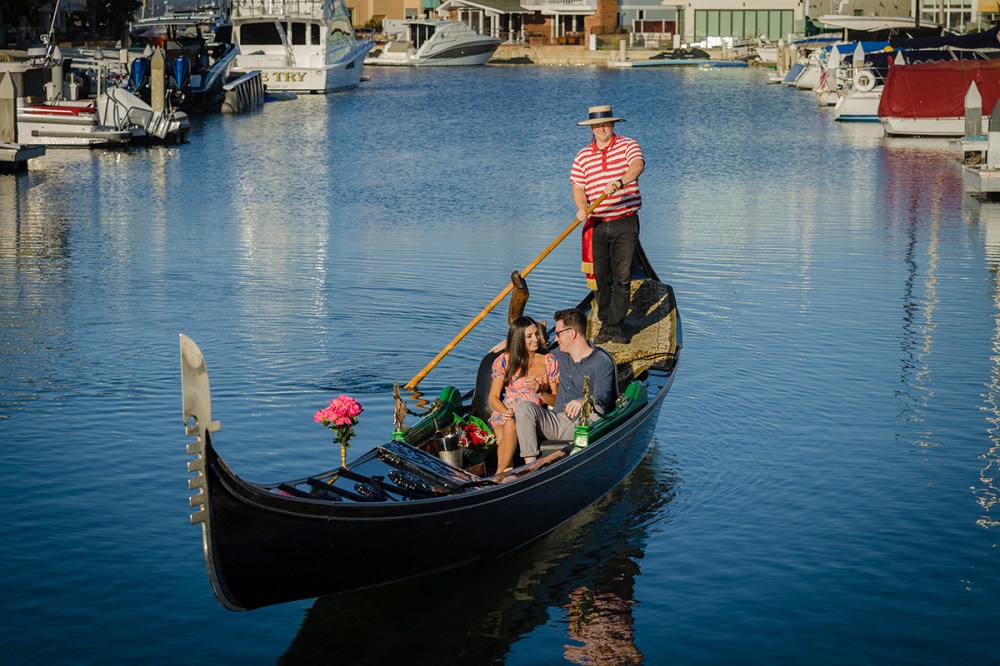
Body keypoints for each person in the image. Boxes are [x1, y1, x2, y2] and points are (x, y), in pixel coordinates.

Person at [571, 104, 645, 345]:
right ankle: (605, 319)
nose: (602, 129)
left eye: (605, 124)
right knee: (601, 278)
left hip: (625, 220)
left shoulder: (628, 145)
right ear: (592, 128)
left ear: (612, 125)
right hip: (598, 223)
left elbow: (637, 166)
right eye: (597, 125)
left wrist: (620, 182)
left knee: (622, 277)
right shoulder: (583, 155)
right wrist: (581, 207)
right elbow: (578, 187)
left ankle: (614, 326)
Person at [514, 308, 616, 464]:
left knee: (594, 412)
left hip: (584, 421)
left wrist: (582, 401)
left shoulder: (602, 362)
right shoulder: (556, 355)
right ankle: (531, 466)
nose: (556, 339)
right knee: (524, 408)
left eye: (558, 334)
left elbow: (602, 397)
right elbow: (531, 347)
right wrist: (509, 341)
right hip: (557, 421)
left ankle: (566, 453)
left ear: (572, 333)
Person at [488, 316, 560, 473]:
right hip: (504, 414)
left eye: (536, 334)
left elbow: (556, 400)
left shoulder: (549, 360)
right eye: (529, 336)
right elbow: (493, 397)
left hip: (530, 417)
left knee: (509, 429)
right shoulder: (505, 360)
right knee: (509, 424)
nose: (535, 339)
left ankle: (500, 475)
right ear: (519, 339)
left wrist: (540, 391)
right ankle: (504, 475)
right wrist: (505, 412)